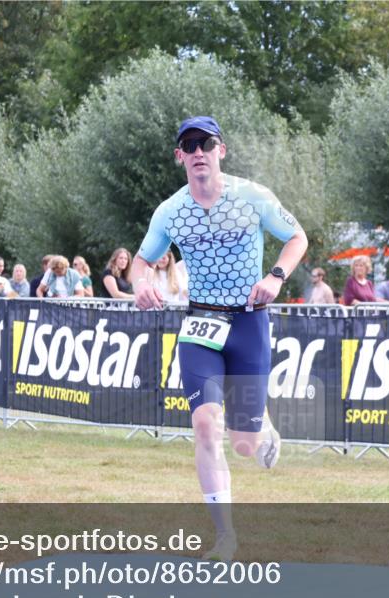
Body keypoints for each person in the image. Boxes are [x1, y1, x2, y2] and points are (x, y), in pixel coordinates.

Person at [132, 116, 308, 561]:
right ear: (179, 157)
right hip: (201, 326)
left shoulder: (252, 196)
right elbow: (140, 261)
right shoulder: (170, 211)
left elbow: (296, 237)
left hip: (249, 322)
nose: (197, 153)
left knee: (244, 445)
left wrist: (276, 276)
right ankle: (225, 536)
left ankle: (262, 427)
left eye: (205, 144)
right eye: (188, 146)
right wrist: (140, 283)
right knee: (205, 425)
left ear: (220, 150)